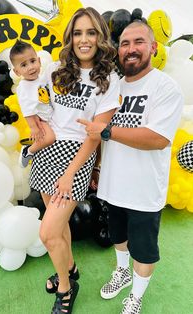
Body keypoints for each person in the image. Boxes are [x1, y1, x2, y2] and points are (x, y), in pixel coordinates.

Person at [78, 21, 183, 314]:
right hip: (113, 185)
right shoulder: (114, 86)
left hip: (144, 190)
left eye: (138, 42)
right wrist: (97, 166)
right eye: (125, 43)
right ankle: (122, 273)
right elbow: (96, 131)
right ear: (118, 50)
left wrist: (107, 130)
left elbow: (157, 138)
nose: (131, 49)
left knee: (144, 249)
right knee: (118, 237)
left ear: (153, 47)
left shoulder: (165, 87)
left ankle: (136, 296)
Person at [29, 7, 120, 314]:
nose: (84, 39)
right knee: (61, 224)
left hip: (76, 156)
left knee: (47, 232)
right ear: (70, 37)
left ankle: (66, 289)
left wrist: (71, 173)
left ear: (100, 37)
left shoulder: (109, 79)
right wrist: (37, 132)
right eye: (78, 32)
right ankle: (69, 268)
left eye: (91, 32)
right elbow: (38, 102)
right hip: (48, 150)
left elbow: (95, 134)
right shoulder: (55, 69)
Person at [10, 39, 55, 167]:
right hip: (39, 120)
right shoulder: (24, 86)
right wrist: (33, 127)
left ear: (39, 61)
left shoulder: (42, 79)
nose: (30, 67)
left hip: (49, 116)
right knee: (49, 138)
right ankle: (28, 151)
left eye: (33, 61)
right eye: (24, 65)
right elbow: (27, 109)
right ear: (17, 72)